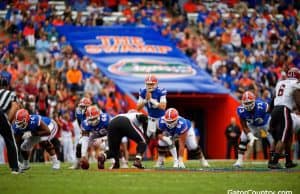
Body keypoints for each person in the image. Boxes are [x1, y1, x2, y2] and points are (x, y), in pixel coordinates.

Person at [268, 67, 300, 169]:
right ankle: (274, 161)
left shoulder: (280, 83)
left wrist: (270, 111)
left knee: (283, 137)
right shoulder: (295, 83)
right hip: (284, 110)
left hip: (275, 110)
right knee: (284, 137)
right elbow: (297, 99)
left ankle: (288, 161)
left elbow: (274, 98)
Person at [233, 91, 274, 167]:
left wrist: (272, 125)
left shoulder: (262, 106)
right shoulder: (241, 110)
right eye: (246, 103)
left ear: (254, 100)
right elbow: (244, 126)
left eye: (249, 103)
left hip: (265, 123)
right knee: (243, 137)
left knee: (272, 139)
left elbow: (272, 111)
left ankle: (274, 160)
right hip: (252, 125)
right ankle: (239, 160)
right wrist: (250, 135)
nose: (248, 105)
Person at [74, 105, 110, 169]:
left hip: (107, 136)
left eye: (94, 119)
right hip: (95, 136)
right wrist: (83, 155)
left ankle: (119, 161)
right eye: (91, 119)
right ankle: (78, 164)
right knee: (79, 145)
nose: (93, 122)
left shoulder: (105, 119)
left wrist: (102, 139)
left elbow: (112, 134)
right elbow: (85, 138)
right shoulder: (85, 123)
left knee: (113, 145)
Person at [0, 77, 22, 174]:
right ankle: (15, 167)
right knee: (10, 141)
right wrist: (8, 121)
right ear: (8, 86)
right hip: (1, 114)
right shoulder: (11, 93)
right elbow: (14, 106)